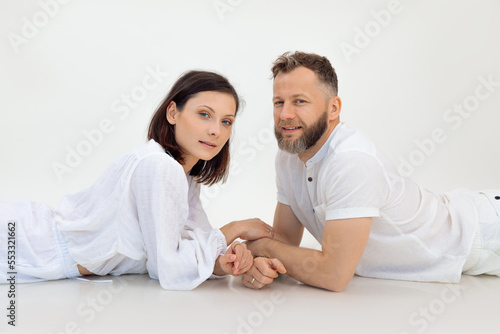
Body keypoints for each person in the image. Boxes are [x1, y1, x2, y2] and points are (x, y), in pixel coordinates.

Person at [0, 70, 284, 290]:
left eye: (226, 121)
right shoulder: (159, 166)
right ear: (173, 113)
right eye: (204, 115)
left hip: (33, 248)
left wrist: (228, 261)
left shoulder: (182, 176)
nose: (215, 131)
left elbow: (194, 241)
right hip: (27, 242)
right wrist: (234, 228)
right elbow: (168, 268)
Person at [242, 51, 500, 292]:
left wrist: (262, 247)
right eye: (279, 102)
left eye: (299, 101)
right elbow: (285, 240)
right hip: (461, 211)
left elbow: (333, 274)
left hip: (484, 232)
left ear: (333, 109)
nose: (285, 114)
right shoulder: (288, 158)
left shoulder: (351, 161)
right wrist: (263, 262)